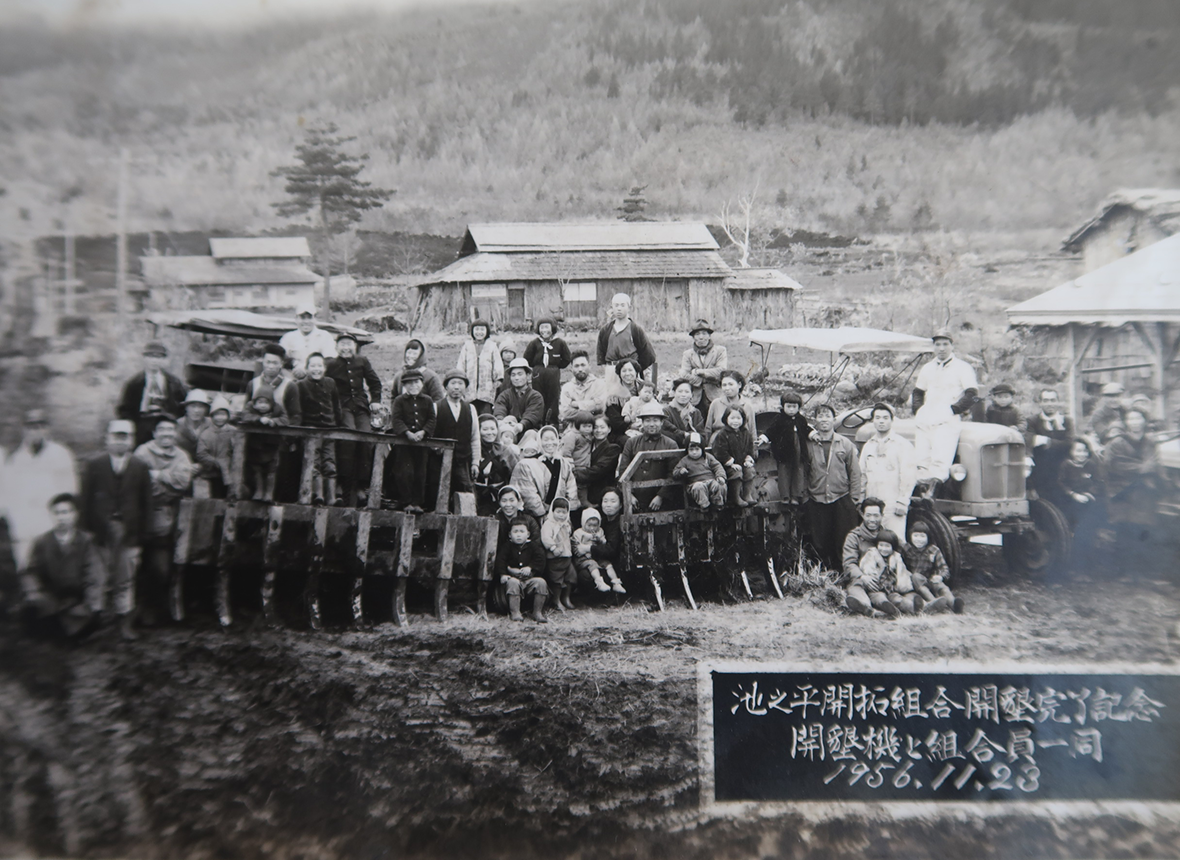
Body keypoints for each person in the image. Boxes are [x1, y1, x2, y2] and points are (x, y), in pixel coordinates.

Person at [78, 420, 152, 640]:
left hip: (129, 531)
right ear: (108, 439)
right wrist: (85, 530)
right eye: (117, 436)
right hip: (100, 530)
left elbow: (147, 504)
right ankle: (95, 618)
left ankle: (124, 621)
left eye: (125, 437)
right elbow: (85, 499)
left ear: (132, 440)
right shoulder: (95, 464)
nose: (121, 441)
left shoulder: (140, 466)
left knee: (125, 577)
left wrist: (142, 536)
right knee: (97, 575)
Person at [133, 416, 193, 626]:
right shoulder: (142, 452)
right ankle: (136, 611)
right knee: (138, 565)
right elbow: (140, 483)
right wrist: (167, 480)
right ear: (154, 433)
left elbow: (182, 482)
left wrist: (157, 474)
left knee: (162, 568)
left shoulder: (182, 455)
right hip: (143, 516)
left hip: (168, 518)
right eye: (162, 430)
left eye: (171, 430)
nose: (167, 434)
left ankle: (157, 610)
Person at [19, 494, 105, 640]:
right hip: (52, 596)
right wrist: (34, 592)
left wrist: (92, 603)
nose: (61, 518)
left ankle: (70, 626)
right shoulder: (42, 542)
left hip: (77, 598)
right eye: (56, 513)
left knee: (81, 621)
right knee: (34, 612)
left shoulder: (86, 541)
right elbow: (30, 571)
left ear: (75, 515)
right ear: (51, 515)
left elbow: (95, 575)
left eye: (65, 512)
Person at [0, 409, 77, 568]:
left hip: (52, 527)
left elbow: (70, 493)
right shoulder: (15, 458)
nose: (35, 431)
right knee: (25, 571)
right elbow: (7, 494)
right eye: (31, 427)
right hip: (24, 530)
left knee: (54, 572)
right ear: (24, 430)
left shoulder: (61, 455)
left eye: (40, 426)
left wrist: (63, 521)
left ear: (47, 429)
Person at [911, 331, 978, 487]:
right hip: (925, 418)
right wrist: (918, 410)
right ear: (933, 346)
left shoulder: (962, 367)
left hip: (947, 419)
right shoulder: (927, 368)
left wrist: (953, 410)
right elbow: (918, 391)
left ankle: (932, 495)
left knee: (940, 460)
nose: (941, 348)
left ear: (952, 345)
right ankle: (921, 494)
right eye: (938, 344)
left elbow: (972, 394)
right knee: (921, 459)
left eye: (945, 344)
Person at [326, 333, 382, 506]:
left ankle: (361, 484)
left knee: (366, 437)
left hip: (360, 406)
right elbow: (325, 385)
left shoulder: (362, 361)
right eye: (342, 344)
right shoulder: (331, 364)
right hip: (342, 406)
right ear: (337, 347)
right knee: (348, 437)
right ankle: (342, 481)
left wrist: (375, 401)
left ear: (355, 346)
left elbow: (374, 382)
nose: (346, 348)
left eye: (349, 344)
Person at [807, 403, 864, 571]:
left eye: (827, 416)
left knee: (843, 538)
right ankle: (824, 574)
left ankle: (844, 573)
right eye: (820, 416)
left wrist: (854, 498)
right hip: (816, 498)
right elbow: (803, 471)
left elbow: (855, 472)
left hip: (841, 497)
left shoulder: (844, 443)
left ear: (833, 419)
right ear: (815, 420)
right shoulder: (809, 444)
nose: (824, 419)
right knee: (820, 540)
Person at [858, 402, 917, 536]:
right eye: (877, 418)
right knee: (873, 539)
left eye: (885, 418)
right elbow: (862, 474)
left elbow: (908, 475)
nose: (881, 421)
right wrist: (861, 499)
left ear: (892, 420)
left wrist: (902, 501)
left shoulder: (902, 445)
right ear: (873, 420)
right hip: (872, 506)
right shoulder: (869, 445)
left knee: (894, 538)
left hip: (892, 504)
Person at [1104, 408, 1159, 547]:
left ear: (1144, 421)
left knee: (1143, 535)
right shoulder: (1117, 443)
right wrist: (1143, 468)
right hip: (1123, 493)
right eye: (1131, 419)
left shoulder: (1150, 442)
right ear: (1126, 422)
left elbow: (1155, 463)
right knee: (1124, 534)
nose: (1135, 422)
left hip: (1144, 494)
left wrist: (1138, 468)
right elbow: (1115, 465)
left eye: (1138, 418)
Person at [117, 340, 188, 447]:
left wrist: (174, 419)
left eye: (158, 357)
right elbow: (124, 409)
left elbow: (184, 404)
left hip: (166, 425)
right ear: (144, 358)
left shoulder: (173, 382)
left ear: (164, 360)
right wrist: (132, 427)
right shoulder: (134, 383)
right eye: (150, 357)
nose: (154, 361)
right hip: (141, 425)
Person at [297, 353, 344, 505]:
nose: (316, 369)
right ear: (307, 368)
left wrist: (338, 424)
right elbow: (298, 410)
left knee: (330, 461)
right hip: (311, 430)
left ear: (324, 368)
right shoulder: (301, 385)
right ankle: (318, 495)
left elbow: (336, 405)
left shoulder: (330, 383)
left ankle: (331, 497)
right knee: (314, 461)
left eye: (319, 366)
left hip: (329, 429)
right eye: (312, 366)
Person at [388, 368, 437, 513]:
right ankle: (406, 502)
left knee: (420, 473)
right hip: (404, 443)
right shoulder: (399, 401)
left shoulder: (427, 400)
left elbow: (432, 419)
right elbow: (396, 419)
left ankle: (417, 503)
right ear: (404, 386)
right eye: (409, 383)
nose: (413, 386)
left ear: (422, 383)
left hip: (421, 443)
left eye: (416, 382)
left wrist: (423, 432)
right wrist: (407, 433)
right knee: (405, 472)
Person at [430, 371, 480, 509]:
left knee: (465, 495)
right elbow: (430, 435)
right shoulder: (436, 407)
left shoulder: (471, 409)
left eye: (460, 383)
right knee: (437, 495)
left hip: (462, 462)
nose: (456, 387)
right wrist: (436, 448)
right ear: (446, 386)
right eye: (453, 383)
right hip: (439, 463)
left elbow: (475, 438)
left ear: (465, 387)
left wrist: (475, 463)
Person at [617, 402, 680, 512]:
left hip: (660, 502)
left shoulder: (670, 444)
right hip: (635, 501)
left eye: (655, 420)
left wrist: (661, 496)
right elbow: (623, 471)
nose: (651, 424)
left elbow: (673, 474)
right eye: (647, 420)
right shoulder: (631, 443)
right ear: (642, 422)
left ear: (662, 422)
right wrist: (629, 495)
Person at [842, 498, 896, 616]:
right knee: (856, 590)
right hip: (859, 579)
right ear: (862, 515)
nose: (872, 520)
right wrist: (862, 576)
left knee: (879, 596)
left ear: (882, 516)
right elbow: (849, 563)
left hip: (880, 581)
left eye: (876, 516)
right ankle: (867, 608)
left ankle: (886, 607)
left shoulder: (887, 536)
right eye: (868, 515)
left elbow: (899, 553)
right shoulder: (854, 537)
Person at [847, 528, 919, 617]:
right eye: (881, 545)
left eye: (887, 546)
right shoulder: (872, 554)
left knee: (898, 599)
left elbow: (902, 575)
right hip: (876, 589)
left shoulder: (896, 558)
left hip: (891, 590)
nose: (884, 549)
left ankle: (914, 608)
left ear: (893, 547)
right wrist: (882, 567)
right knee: (880, 598)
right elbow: (868, 570)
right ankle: (883, 608)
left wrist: (900, 586)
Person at [511, 426, 579, 518]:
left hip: (560, 514)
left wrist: (566, 511)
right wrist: (543, 514)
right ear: (539, 441)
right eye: (546, 440)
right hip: (537, 516)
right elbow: (528, 494)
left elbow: (571, 489)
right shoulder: (526, 464)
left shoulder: (564, 463)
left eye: (553, 439)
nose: (550, 443)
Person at [495, 516, 549, 623]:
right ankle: (515, 612)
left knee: (541, 582)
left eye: (522, 531)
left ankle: (537, 612)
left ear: (528, 534)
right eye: (515, 532)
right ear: (510, 535)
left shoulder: (533, 546)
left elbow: (540, 559)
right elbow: (500, 560)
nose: (519, 535)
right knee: (513, 583)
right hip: (512, 579)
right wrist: (504, 574)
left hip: (528, 579)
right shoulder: (507, 547)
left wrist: (531, 568)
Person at [1025, 388, 1074, 504]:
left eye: (1053, 400)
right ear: (1040, 403)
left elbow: (1069, 443)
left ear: (1058, 402)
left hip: (1062, 469)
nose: (1049, 404)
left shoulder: (1066, 421)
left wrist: (1047, 441)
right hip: (1041, 471)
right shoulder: (1033, 421)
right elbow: (1029, 443)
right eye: (1046, 400)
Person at [237, 390, 289, 501]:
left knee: (271, 469)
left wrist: (274, 421)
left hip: (271, 445)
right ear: (255, 403)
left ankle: (269, 493)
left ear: (271, 403)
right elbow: (245, 416)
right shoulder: (250, 407)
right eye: (260, 402)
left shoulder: (277, 408)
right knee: (256, 468)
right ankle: (259, 491)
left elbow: (285, 420)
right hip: (255, 445)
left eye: (266, 403)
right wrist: (258, 419)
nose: (263, 405)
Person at [903, 521, 961, 614]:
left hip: (929, 581)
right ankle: (933, 602)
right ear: (910, 536)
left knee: (941, 586)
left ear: (928, 537)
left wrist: (940, 576)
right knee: (916, 576)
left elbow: (944, 568)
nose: (919, 539)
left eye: (922, 536)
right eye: (916, 536)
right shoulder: (906, 549)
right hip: (914, 584)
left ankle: (954, 604)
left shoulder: (933, 550)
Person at [596, 293, 656, 383]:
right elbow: (601, 353)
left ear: (629, 308)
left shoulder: (635, 330)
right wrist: (607, 368)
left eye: (622, 305)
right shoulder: (605, 330)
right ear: (612, 307)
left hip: (630, 372)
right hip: (611, 371)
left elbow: (649, 355)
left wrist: (636, 368)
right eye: (616, 305)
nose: (619, 308)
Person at [1055, 438, 1106, 545]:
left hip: (1089, 497)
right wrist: (1073, 494)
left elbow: (1099, 481)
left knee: (1093, 512)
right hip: (1071, 498)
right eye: (1078, 451)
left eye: (1084, 451)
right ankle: (1073, 535)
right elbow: (1061, 483)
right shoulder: (1066, 465)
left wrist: (1089, 493)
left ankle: (1090, 536)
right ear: (1071, 452)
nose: (1081, 454)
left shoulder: (1091, 464)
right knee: (1074, 512)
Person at [764, 390, 811, 504]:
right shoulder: (779, 419)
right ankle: (785, 496)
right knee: (784, 473)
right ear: (783, 406)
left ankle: (796, 496)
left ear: (798, 407)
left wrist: (812, 434)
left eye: (794, 407)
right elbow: (771, 431)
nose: (791, 410)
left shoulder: (801, 419)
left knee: (798, 473)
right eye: (788, 406)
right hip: (784, 453)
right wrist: (764, 438)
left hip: (798, 452)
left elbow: (806, 429)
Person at [524, 318, 570, 426]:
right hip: (538, 373)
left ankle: (552, 422)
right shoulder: (534, 343)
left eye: (547, 327)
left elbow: (567, 358)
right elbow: (527, 358)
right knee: (538, 396)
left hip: (553, 373)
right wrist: (537, 366)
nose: (544, 330)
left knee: (553, 397)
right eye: (542, 327)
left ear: (552, 328)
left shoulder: (560, 343)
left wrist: (556, 366)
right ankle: (538, 422)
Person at [711, 406, 757, 508]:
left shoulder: (746, 433)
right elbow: (719, 451)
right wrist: (730, 462)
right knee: (737, 472)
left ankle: (747, 495)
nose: (735, 421)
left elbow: (750, 447)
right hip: (727, 466)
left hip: (742, 463)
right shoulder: (722, 434)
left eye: (738, 418)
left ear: (743, 419)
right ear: (726, 419)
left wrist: (748, 458)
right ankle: (736, 497)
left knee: (750, 470)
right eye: (732, 418)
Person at [679, 319, 728, 414]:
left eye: (704, 334)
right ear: (693, 337)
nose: (701, 337)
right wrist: (703, 380)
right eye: (697, 334)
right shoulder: (688, 354)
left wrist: (698, 372)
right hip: (695, 398)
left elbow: (721, 371)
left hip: (715, 396)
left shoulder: (720, 351)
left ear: (709, 336)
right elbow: (683, 374)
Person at [572, 507, 624, 594]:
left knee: (608, 564)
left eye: (595, 525)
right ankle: (599, 582)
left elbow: (604, 542)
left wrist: (599, 539)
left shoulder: (599, 531)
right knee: (593, 565)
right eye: (589, 525)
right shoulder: (579, 533)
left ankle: (616, 582)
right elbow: (576, 546)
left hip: (596, 556)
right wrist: (584, 551)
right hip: (584, 558)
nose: (592, 528)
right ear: (584, 523)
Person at [195, 396, 237, 500]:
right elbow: (201, 454)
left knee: (233, 496)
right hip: (213, 472)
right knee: (216, 497)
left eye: (223, 414)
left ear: (228, 416)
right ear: (212, 416)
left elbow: (238, 449)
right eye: (217, 414)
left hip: (232, 470)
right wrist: (216, 462)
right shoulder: (205, 434)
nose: (220, 418)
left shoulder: (234, 431)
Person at [456, 320, 503, 413]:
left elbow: (497, 363)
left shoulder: (492, 346)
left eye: (482, 329)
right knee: (469, 413)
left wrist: (498, 378)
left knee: (485, 414)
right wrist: (460, 379)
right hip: (469, 389)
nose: (479, 332)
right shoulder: (467, 346)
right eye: (476, 329)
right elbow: (461, 364)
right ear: (472, 331)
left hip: (487, 389)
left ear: (487, 331)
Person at [672, 432, 727, 510]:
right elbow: (675, 472)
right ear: (687, 450)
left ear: (702, 449)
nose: (694, 452)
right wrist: (681, 471)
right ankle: (705, 505)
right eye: (691, 450)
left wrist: (720, 476)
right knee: (698, 487)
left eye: (697, 449)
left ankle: (717, 504)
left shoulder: (707, 457)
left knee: (719, 485)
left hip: (710, 480)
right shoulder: (685, 460)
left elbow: (717, 466)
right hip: (695, 483)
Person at [250, 344, 301, 424]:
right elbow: (247, 412)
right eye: (268, 362)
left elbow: (295, 417)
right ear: (263, 362)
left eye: (275, 363)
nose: (271, 366)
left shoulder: (290, 386)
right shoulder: (253, 383)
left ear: (281, 364)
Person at [494, 357, 546, 437]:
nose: (516, 378)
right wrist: (501, 421)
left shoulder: (536, 396)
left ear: (528, 376)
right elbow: (500, 409)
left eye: (520, 374)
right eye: (513, 375)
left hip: (529, 433)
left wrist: (521, 425)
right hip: (508, 433)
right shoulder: (504, 395)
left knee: (531, 434)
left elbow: (532, 414)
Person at [278, 304, 337, 372]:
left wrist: (311, 368)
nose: (306, 321)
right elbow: (281, 358)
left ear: (315, 319)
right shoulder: (288, 337)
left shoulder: (325, 336)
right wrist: (295, 364)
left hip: (318, 374)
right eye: (302, 318)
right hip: (293, 374)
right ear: (296, 319)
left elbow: (329, 359)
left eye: (309, 317)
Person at [541, 497, 575, 612]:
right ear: (552, 511)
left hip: (566, 556)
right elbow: (546, 538)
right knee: (557, 580)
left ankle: (566, 597)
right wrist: (553, 547)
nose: (561, 515)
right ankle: (556, 600)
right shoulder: (549, 524)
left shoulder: (566, 524)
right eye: (558, 512)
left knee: (570, 577)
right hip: (555, 557)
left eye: (564, 512)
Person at [474, 416, 513, 516]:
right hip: (476, 497)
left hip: (499, 498)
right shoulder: (473, 451)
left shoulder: (506, 451)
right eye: (485, 429)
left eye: (492, 429)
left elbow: (513, 476)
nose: (490, 432)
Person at [387, 339, 445, 404]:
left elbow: (438, 401)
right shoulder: (399, 376)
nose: (410, 356)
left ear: (421, 356)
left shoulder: (431, 377)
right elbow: (394, 399)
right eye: (409, 353)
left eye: (414, 354)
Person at [584, 416, 622, 507]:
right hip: (583, 492)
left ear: (609, 429)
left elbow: (598, 470)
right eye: (595, 427)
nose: (598, 430)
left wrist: (575, 473)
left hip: (601, 493)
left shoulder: (613, 448)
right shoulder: (586, 445)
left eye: (602, 427)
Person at [558, 351, 606, 423]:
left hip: (596, 424)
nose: (580, 369)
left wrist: (577, 404)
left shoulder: (599, 384)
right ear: (571, 368)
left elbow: (600, 406)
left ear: (589, 366)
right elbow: (565, 412)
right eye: (576, 366)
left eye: (583, 365)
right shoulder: (567, 388)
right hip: (574, 425)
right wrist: (591, 406)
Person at [704, 370, 757, 436]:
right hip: (719, 439)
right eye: (724, 385)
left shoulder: (747, 406)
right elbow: (708, 429)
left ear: (739, 385)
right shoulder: (715, 403)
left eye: (731, 384)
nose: (727, 388)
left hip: (740, 439)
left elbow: (752, 432)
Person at [562, 411, 595, 507]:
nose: (587, 429)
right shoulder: (572, 435)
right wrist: (571, 467)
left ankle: (583, 502)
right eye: (584, 426)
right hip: (576, 466)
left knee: (584, 485)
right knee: (576, 486)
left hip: (584, 466)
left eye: (589, 426)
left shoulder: (588, 436)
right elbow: (566, 452)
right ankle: (579, 504)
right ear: (577, 425)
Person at [663, 378, 706, 447]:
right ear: (674, 393)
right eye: (680, 391)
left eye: (687, 392)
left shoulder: (696, 412)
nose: (683, 395)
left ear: (691, 394)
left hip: (692, 449)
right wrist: (685, 435)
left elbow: (701, 434)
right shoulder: (666, 411)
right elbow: (667, 432)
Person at [1086, 381, 1126, 450]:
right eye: (1110, 397)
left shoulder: (1125, 411)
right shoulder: (1099, 414)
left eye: (1118, 396)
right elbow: (1103, 434)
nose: (1114, 400)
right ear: (1104, 398)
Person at [174, 390, 212, 461]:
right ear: (186, 408)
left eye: (200, 407)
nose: (196, 410)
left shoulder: (211, 424)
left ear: (206, 409)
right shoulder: (177, 425)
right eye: (193, 406)